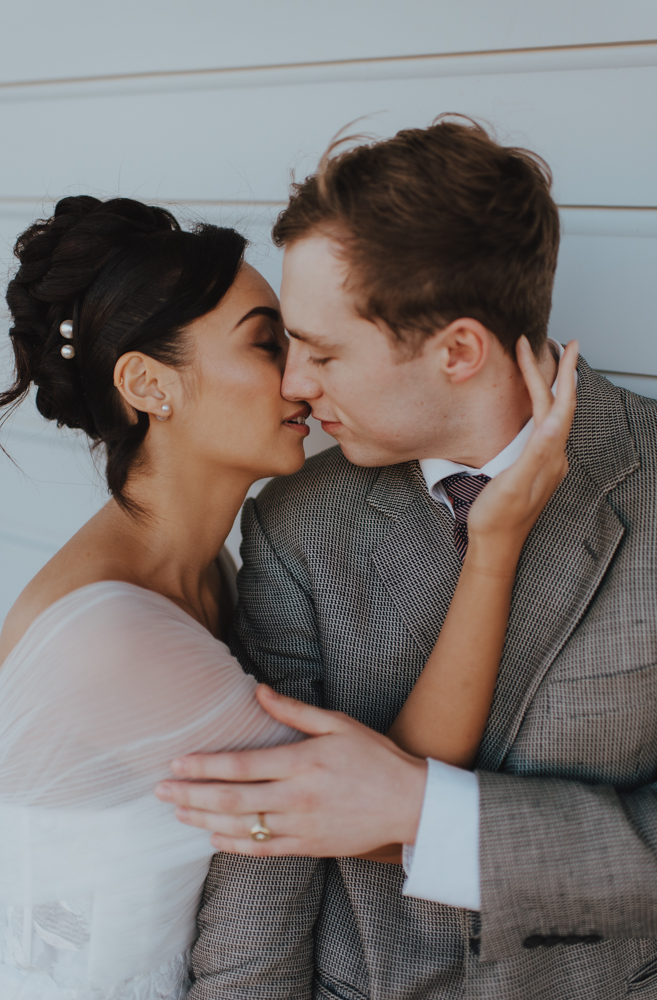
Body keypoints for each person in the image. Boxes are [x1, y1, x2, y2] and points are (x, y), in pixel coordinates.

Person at [0, 194, 573, 1000]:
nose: (302, 377)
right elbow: (371, 804)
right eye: (269, 345)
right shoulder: (115, 632)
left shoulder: (202, 570)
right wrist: (494, 545)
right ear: (148, 384)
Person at [159, 120, 657, 1000]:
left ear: (458, 351)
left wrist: (432, 819)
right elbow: (263, 853)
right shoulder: (295, 524)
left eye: (323, 351)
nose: (294, 387)